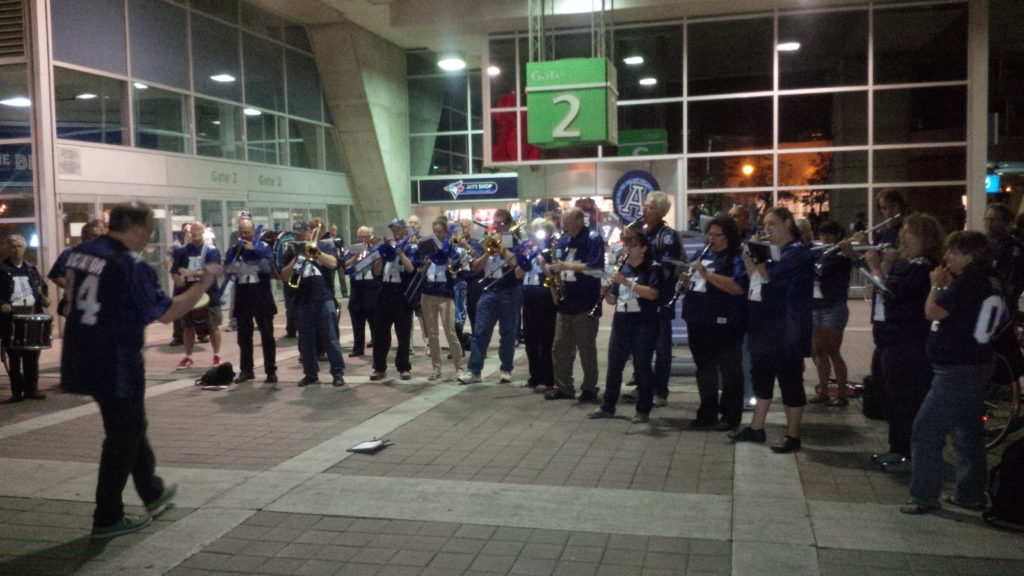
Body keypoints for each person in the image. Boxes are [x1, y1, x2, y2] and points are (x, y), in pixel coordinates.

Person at [61, 201, 218, 539]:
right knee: (122, 436)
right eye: (148, 231)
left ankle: (152, 493)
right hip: (115, 359)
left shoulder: (81, 251)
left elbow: (64, 281)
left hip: (81, 353)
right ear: (134, 230)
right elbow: (168, 312)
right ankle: (108, 517)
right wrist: (205, 283)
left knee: (129, 425)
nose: (149, 239)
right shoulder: (129, 265)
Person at [901, 231, 1004, 514]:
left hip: (958, 369)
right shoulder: (991, 280)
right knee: (967, 431)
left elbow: (933, 312)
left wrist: (936, 286)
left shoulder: (970, 282)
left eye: (953, 252)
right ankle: (970, 494)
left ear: (970, 256)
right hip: (976, 363)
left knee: (926, 430)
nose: (946, 258)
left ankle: (923, 496)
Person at [855, 213, 944, 473]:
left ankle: (905, 451)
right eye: (902, 232)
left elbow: (895, 297)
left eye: (909, 233)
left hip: (907, 342)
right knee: (887, 395)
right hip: (888, 339)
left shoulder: (924, 268)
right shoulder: (906, 264)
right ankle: (898, 447)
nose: (902, 237)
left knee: (905, 399)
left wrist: (875, 270)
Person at [729, 207, 814, 453]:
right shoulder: (774, 252)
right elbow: (755, 279)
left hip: (787, 327)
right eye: (765, 225)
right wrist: (748, 261)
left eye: (773, 223)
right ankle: (757, 428)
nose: (767, 229)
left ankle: (793, 435)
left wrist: (757, 257)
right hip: (763, 324)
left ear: (788, 223)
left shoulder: (797, 253)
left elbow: (772, 278)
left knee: (790, 381)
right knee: (761, 376)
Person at [587, 232, 665, 423]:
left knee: (642, 366)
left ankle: (643, 409)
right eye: (627, 245)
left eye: (634, 245)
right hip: (622, 321)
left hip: (644, 322)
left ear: (644, 248)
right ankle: (608, 406)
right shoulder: (624, 268)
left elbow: (653, 294)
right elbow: (614, 299)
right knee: (614, 364)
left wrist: (627, 283)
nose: (629, 250)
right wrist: (605, 292)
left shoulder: (653, 269)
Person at [682, 216, 748, 430]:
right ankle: (707, 412)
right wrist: (684, 280)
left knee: (730, 369)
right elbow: (693, 282)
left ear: (728, 236)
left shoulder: (736, 257)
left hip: (725, 321)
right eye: (708, 234)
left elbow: (737, 287)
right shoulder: (703, 253)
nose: (711, 239)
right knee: (704, 369)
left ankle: (730, 416)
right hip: (698, 319)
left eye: (715, 235)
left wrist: (706, 274)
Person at [541, 207, 605, 402]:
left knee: (586, 349)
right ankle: (564, 387)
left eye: (567, 222)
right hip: (565, 302)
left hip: (585, 302)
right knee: (560, 347)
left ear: (578, 221)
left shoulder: (593, 238)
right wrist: (549, 268)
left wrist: (566, 266)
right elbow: (555, 262)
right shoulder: (563, 239)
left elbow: (596, 267)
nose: (563, 226)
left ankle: (589, 388)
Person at [458, 209, 525, 384]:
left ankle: (506, 369)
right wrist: (488, 251)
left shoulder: (516, 241)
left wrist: (502, 249)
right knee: (480, 332)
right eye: (495, 223)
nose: (498, 226)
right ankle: (474, 371)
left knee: (508, 333)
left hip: (510, 291)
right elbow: (475, 268)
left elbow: (516, 265)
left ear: (510, 224)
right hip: (489, 291)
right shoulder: (486, 241)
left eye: (501, 223)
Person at [281, 220, 346, 387]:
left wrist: (315, 252)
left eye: (302, 233)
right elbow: (284, 276)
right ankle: (310, 374)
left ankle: (337, 373)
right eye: (296, 234)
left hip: (323, 298)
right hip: (302, 299)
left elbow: (333, 263)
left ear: (310, 233)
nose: (299, 236)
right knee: (305, 339)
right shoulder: (291, 250)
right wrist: (297, 257)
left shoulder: (323, 245)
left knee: (330, 338)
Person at [636, 191, 681, 406]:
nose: (644, 210)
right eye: (644, 206)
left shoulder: (668, 235)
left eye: (650, 207)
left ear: (662, 211)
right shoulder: (643, 233)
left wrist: (643, 271)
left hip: (660, 298)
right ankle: (642, 386)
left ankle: (660, 391)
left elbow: (666, 270)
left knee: (662, 347)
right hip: (641, 298)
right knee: (641, 345)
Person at [224, 218, 277, 385]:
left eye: (247, 232)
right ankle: (246, 370)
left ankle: (270, 371)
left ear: (253, 233)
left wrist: (253, 250)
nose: (244, 235)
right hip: (243, 296)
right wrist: (234, 265)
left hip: (261, 296)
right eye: (241, 232)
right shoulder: (234, 250)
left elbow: (269, 267)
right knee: (244, 337)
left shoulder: (264, 247)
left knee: (267, 335)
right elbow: (227, 269)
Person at [0, 235, 50, 404]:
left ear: (25, 248)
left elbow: (41, 288)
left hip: (31, 315)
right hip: (11, 319)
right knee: (14, 357)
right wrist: (3, 304)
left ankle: (32, 389)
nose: (17, 249)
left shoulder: (31, 268)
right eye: (14, 246)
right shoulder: (2, 269)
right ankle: (17, 391)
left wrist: (44, 298)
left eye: (20, 246)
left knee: (32, 355)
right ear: (9, 248)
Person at [809, 220, 853, 406]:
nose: (825, 238)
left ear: (837, 235)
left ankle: (841, 394)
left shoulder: (842, 255)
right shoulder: (820, 252)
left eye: (829, 234)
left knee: (833, 351)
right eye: (822, 234)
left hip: (833, 307)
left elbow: (821, 272)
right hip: (817, 306)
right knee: (819, 351)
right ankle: (824, 391)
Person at [369, 218, 417, 381]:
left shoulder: (411, 246)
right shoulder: (384, 246)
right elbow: (376, 272)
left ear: (404, 230)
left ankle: (403, 367)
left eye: (398, 229)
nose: (395, 232)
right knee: (380, 333)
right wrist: (382, 255)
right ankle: (379, 367)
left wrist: (400, 253)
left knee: (403, 333)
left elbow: (411, 269)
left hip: (402, 293)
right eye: (393, 229)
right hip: (384, 292)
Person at [172, 222, 222, 369]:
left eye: (197, 229)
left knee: (213, 325)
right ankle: (188, 357)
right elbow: (175, 271)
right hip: (189, 293)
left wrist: (191, 273)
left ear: (203, 231)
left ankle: (217, 355)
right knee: (188, 326)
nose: (194, 233)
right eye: (191, 230)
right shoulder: (182, 251)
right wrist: (178, 281)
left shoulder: (211, 250)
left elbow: (212, 271)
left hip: (209, 293)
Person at [419, 219, 465, 380]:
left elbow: (455, 270)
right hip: (428, 294)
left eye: (440, 231)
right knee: (432, 334)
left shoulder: (452, 248)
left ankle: (459, 367)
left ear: (446, 232)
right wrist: (426, 262)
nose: (437, 234)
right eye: (435, 231)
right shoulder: (427, 248)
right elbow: (421, 273)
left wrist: (444, 257)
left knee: (450, 332)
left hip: (445, 295)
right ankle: (436, 368)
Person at [520, 218, 557, 391]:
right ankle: (534, 376)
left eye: (541, 230)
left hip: (545, 293)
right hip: (528, 292)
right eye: (535, 230)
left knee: (545, 339)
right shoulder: (528, 247)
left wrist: (541, 255)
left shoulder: (552, 248)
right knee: (530, 338)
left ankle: (548, 378)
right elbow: (519, 271)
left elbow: (551, 270)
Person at [48, 219, 106, 316]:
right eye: (94, 236)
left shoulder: (105, 256)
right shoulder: (70, 254)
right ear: (83, 236)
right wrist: (73, 287)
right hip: (76, 303)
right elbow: (56, 275)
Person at [345, 226, 379, 358]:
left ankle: (377, 346)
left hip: (371, 291)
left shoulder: (375, 250)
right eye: (360, 237)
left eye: (366, 236)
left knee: (374, 323)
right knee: (357, 322)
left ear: (370, 237)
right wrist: (356, 257)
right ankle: (358, 348)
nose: (363, 239)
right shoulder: (352, 250)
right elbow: (345, 266)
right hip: (357, 291)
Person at [327, 224, 349, 299]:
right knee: (331, 277)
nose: (334, 232)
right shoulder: (326, 237)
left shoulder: (339, 237)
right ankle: (332, 293)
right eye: (332, 230)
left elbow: (340, 244)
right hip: (331, 259)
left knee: (342, 277)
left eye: (335, 230)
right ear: (329, 230)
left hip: (339, 260)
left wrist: (334, 240)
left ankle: (344, 293)